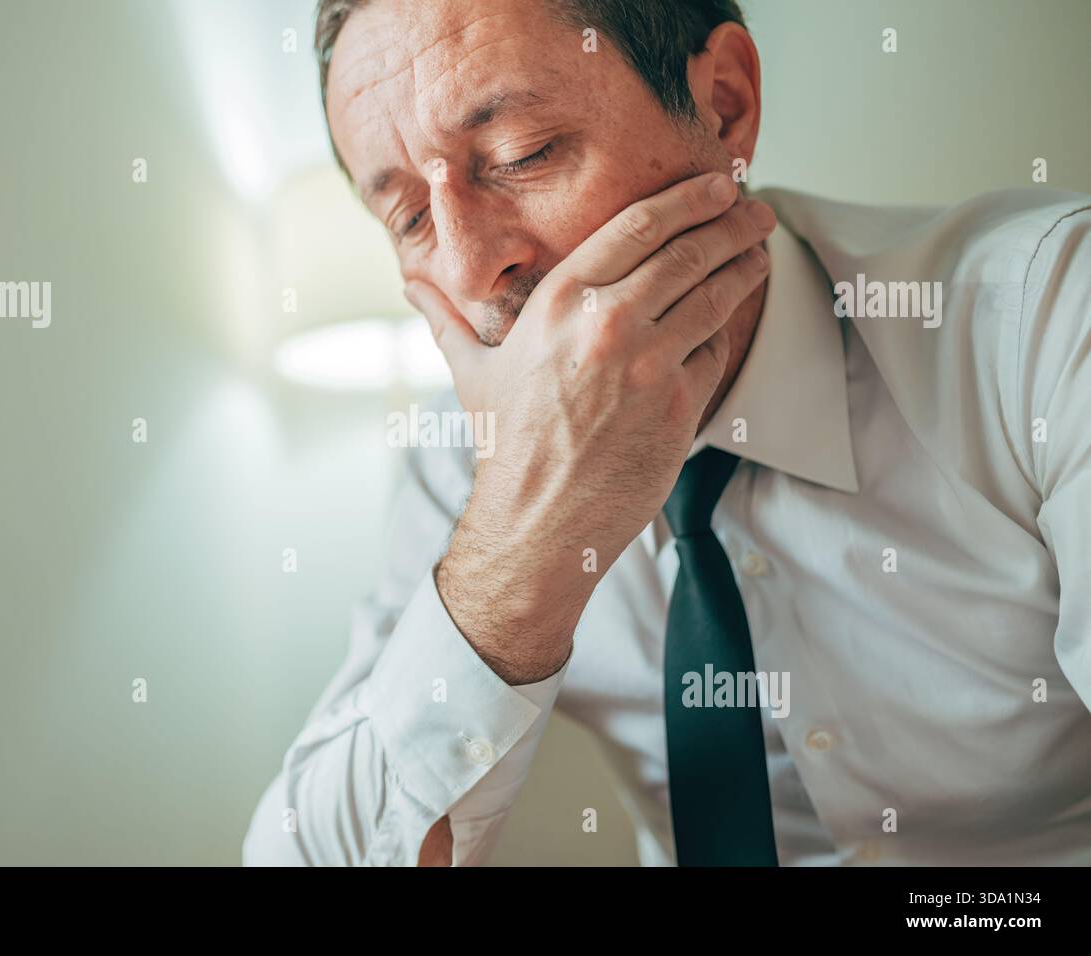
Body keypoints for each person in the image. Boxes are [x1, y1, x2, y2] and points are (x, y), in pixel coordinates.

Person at [243, 0, 1091, 866]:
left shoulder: (1043, 319)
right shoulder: (460, 464)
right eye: (410, 219)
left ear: (725, 103)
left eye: (520, 154)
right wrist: (524, 544)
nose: (467, 269)